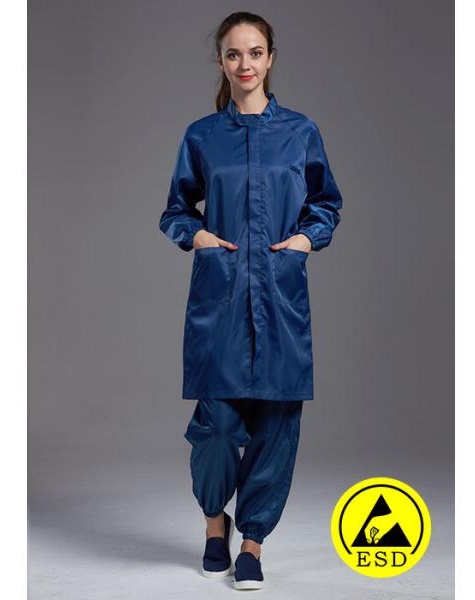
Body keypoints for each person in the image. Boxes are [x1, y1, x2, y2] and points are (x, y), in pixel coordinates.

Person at [159, 11, 343, 590]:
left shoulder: (301, 131)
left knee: (276, 427)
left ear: (270, 59)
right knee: (215, 427)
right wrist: (198, 236)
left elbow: (326, 203)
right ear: (221, 61)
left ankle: (253, 544)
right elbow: (175, 210)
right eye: (234, 54)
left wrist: (306, 239)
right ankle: (215, 525)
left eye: (255, 52)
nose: (245, 64)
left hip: (280, 300)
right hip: (221, 301)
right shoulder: (202, 135)